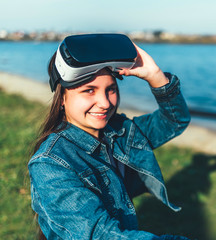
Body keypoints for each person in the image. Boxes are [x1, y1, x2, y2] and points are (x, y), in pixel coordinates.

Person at [28, 34, 191, 239]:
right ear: (61, 98)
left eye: (111, 89)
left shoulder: (120, 132)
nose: (105, 103)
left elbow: (174, 121)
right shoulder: (50, 164)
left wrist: (155, 75)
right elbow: (99, 234)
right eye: (89, 90)